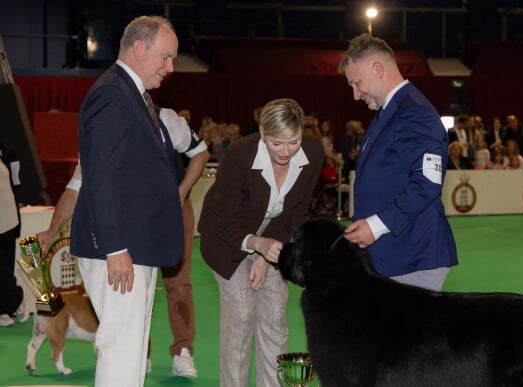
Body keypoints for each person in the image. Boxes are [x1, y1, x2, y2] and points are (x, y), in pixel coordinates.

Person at [37, 107, 208, 378]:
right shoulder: (100, 132)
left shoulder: (164, 119)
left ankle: (182, 351)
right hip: (133, 217)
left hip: (174, 207)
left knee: (177, 279)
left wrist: (182, 190)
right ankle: (143, 353)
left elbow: (200, 152)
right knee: (136, 288)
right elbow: (75, 187)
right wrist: (52, 229)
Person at [69, 16, 182, 387]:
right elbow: (101, 176)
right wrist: (115, 246)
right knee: (122, 347)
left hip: (134, 247)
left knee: (132, 347)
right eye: (165, 57)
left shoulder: (130, 94)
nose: (170, 67)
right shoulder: (113, 95)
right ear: (139, 49)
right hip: (119, 249)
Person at [198, 98, 324, 387]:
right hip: (225, 238)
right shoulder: (238, 156)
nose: (286, 151)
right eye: (276, 143)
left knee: (275, 319)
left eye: (293, 142)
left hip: (272, 237)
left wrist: (268, 257)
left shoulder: (314, 152)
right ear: (263, 134)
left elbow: (295, 209)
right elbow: (226, 221)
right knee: (241, 317)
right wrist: (257, 244)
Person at [338, 33, 458, 291]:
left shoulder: (414, 113)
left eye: (357, 83)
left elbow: (426, 184)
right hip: (391, 257)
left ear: (378, 69)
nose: (355, 95)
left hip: (411, 258)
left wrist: (375, 225)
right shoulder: (389, 112)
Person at [0, 140, 26, 327]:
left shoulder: (4, 148)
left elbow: (13, 182)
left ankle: (4, 310)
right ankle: (16, 297)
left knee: (7, 265)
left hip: (8, 218)